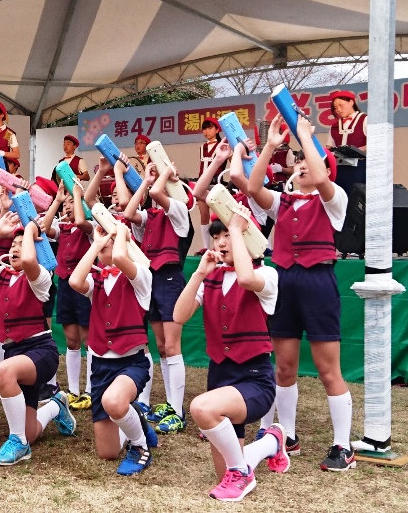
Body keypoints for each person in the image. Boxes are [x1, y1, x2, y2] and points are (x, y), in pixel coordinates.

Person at [247, 114, 355, 472]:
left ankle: (343, 446)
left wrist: (306, 135)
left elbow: (322, 179)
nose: (302, 165)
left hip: (317, 283)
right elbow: (253, 188)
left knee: (327, 368)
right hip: (284, 283)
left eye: (309, 161)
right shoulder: (284, 202)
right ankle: (287, 436)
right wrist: (270, 146)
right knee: (284, 367)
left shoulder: (334, 198)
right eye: (298, 161)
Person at [174, 210, 289, 502]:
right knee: (223, 472)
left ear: (246, 237)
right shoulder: (211, 278)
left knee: (201, 409)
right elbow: (179, 316)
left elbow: (247, 279)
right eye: (216, 236)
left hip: (254, 379)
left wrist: (238, 230)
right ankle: (271, 442)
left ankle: (242, 472)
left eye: (228, 234)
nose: (221, 242)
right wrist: (199, 273)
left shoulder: (267, 274)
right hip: (220, 376)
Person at [0, 213, 75, 466]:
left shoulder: (41, 277)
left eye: (21, 245)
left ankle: (18, 444)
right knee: (31, 432)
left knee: (4, 371)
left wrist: (32, 229)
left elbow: (27, 260)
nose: (15, 249)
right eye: (12, 245)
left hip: (40, 351)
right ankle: (56, 406)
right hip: (15, 354)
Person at [68, 224, 158, 476]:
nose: (104, 242)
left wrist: (121, 233)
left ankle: (140, 447)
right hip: (100, 366)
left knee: (114, 401)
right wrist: (96, 245)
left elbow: (119, 257)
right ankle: (135, 419)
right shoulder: (96, 279)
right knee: (107, 452)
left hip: (131, 363)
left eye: (110, 240)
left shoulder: (142, 275)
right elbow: (74, 281)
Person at [123, 161, 192, 434]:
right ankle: (170, 404)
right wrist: (144, 180)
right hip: (153, 279)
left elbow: (155, 194)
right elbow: (129, 212)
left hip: (171, 279)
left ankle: (177, 410)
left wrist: (163, 175)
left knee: (173, 346)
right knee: (161, 346)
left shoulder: (180, 211)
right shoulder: (151, 216)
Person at [42, 183, 93, 411]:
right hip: (64, 283)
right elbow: (44, 228)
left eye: (73, 202)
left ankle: (91, 389)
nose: (68, 207)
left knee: (88, 339)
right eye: (67, 204)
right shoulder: (62, 228)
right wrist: (57, 200)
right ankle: (73, 390)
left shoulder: (89, 226)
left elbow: (81, 222)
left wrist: (78, 197)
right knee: (71, 340)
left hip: (84, 285)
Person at [198, 117, 225, 250]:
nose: (206, 131)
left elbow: (232, 162)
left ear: (217, 129)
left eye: (210, 128)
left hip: (216, 184)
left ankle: (218, 245)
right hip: (203, 185)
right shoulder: (202, 147)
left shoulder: (222, 145)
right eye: (204, 129)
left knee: (217, 216)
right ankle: (206, 247)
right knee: (204, 216)